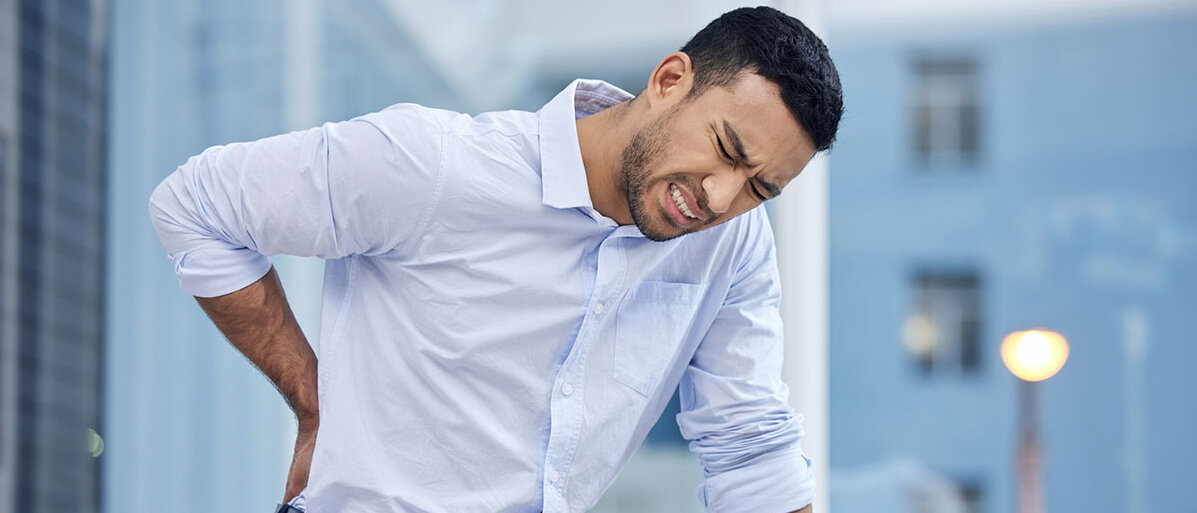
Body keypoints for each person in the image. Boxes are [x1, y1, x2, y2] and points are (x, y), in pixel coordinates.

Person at [149, 6, 842, 513]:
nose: (721, 197)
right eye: (725, 149)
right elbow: (195, 205)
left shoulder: (731, 243)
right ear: (667, 79)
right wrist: (312, 399)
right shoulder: (434, 164)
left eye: (760, 188)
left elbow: (748, 443)